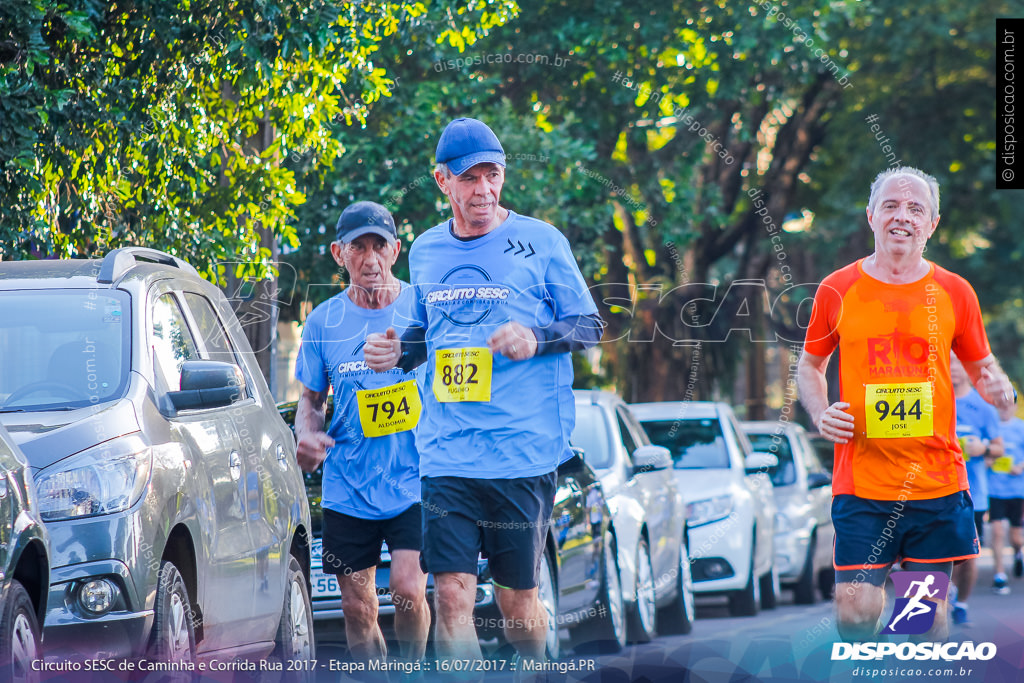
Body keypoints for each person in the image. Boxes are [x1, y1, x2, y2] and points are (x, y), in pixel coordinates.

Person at [364, 117, 602, 664]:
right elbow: (428, 333)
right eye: (469, 179)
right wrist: (399, 350)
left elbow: (588, 325)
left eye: (492, 175)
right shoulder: (425, 250)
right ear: (442, 181)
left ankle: (540, 672)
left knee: (518, 601)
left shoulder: (541, 242)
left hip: (522, 452)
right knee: (450, 594)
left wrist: (535, 337)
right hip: (447, 453)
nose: (483, 190)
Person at [796, 166, 1016, 642]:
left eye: (916, 208)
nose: (903, 217)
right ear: (871, 215)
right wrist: (820, 412)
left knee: (924, 621)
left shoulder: (955, 291)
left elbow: (981, 366)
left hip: (935, 483)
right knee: (854, 613)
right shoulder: (838, 288)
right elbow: (810, 365)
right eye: (891, 206)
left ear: (932, 224)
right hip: (861, 483)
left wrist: (1000, 387)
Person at [293, 201, 430, 664]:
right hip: (348, 483)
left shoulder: (421, 307)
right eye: (359, 248)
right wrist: (305, 437)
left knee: (409, 588)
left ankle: (413, 674)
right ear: (339, 253)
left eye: (380, 247)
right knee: (356, 606)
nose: (370, 260)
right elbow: (311, 402)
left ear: (396, 250)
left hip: (414, 478)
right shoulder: (322, 323)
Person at [949, 352, 1004, 618]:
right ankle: (934, 603)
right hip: (932, 491)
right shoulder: (929, 402)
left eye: (959, 362)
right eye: (948, 362)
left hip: (973, 495)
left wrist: (983, 448)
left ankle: (961, 603)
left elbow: (999, 448)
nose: (953, 368)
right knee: (932, 554)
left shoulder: (983, 407)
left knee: (968, 556)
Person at [988, 400, 1024, 590]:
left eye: (1008, 405)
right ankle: (999, 574)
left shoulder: (1020, 427)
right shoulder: (991, 427)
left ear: (1014, 406)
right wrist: (987, 460)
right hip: (994, 489)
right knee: (997, 530)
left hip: (1017, 490)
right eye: (1001, 405)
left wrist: (1020, 467)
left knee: (1016, 537)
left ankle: (1019, 553)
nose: (1004, 408)